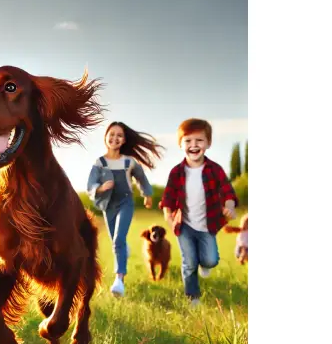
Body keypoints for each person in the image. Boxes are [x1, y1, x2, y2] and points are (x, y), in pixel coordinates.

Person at [159, 119, 238, 306]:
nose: (193, 145)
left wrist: (230, 206)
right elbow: (168, 199)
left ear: (208, 143)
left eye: (199, 141)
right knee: (189, 262)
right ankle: (193, 296)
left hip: (208, 225)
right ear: (180, 144)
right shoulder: (176, 172)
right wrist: (168, 215)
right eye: (188, 141)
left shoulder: (214, 170)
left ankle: (206, 264)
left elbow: (227, 191)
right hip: (184, 225)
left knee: (210, 260)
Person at [86, 122, 163, 297]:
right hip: (108, 205)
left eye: (119, 135)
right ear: (105, 137)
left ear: (124, 140)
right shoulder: (100, 162)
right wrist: (101, 187)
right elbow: (91, 184)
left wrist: (147, 194)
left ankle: (119, 279)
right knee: (117, 241)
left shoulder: (129, 162)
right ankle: (123, 250)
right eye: (111, 134)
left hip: (125, 203)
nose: (115, 138)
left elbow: (141, 178)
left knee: (118, 239)